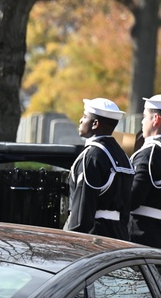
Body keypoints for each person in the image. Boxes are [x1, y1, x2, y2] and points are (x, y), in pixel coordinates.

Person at [64, 98, 134, 239]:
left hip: (95, 236)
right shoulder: (122, 156)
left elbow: (82, 212)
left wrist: (72, 239)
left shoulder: (91, 156)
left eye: (84, 117)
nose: (80, 121)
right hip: (119, 234)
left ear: (95, 124)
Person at [130, 95, 161, 246]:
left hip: (143, 234)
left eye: (144, 117)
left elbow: (132, 197)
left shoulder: (150, 153)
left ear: (155, 119)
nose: (142, 122)